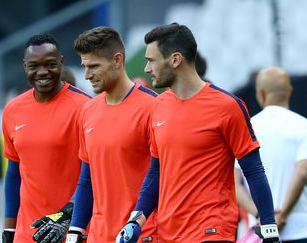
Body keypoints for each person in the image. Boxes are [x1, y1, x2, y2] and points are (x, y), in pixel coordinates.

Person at [116, 23, 280, 243]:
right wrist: (135, 220)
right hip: (168, 234)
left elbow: (254, 170)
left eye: (151, 60)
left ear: (175, 60)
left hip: (212, 231)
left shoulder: (227, 106)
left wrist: (269, 226)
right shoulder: (158, 106)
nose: (146, 68)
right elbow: (156, 171)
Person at [62, 26, 158, 243]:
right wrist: (75, 231)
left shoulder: (153, 107)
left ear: (117, 60)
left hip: (142, 235)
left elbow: (162, 175)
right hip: (99, 236)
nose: (87, 75)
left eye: (94, 66)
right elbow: (87, 179)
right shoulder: (87, 111)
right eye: (84, 67)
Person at [1, 33, 91, 243]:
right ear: (25, 66)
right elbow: (14, 173)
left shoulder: (85, 108)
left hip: (71, 232)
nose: (43, 72)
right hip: (27, 234)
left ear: (61, 62)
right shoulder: (13, 110)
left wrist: (69, 217)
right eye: (34, 66)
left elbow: (94, 176)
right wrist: (9, 229)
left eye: (50, 64)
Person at [235, 67, 307, 242]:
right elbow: (302, 173)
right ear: (289, 91)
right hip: (300, 229)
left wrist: (262, 216)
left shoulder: (247, 128)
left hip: (260, 231)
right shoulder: (305, 126)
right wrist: (282, 215)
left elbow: (234, 183)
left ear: (260, 93)